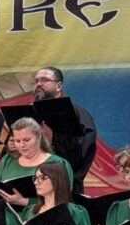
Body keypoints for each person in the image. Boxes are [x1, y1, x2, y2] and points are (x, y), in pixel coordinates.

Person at [32, 66, 96, 194]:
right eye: (36, 81)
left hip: (63, 186)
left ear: (59, 86)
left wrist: (53, 138)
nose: (39, 84)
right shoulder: (27, 112)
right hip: (31, 184)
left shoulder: (76, 113)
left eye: (45, 80)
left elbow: (84, 148)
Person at [0, 117, 73, 207]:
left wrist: (26, 201)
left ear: (39, 137)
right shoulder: (8, 160)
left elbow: (63, 200)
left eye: (27, 140)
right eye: (17, 141)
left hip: (43, 214)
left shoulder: (58, 163)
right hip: (7, 213)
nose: (22, 145)